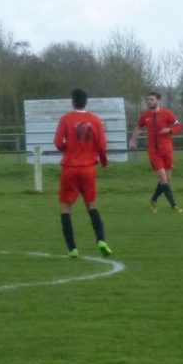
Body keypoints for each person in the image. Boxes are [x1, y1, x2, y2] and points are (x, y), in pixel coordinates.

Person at [53, 89, 113, 258]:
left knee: (65, 208)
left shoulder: (66, 119)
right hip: (88, 168)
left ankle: (72, 249)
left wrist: (68, 150)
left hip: (70, 168)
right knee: (92, 205)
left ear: (73, 102)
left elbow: (58, 143)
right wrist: (104, 161)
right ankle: (101, 240)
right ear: (86, 102)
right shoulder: (95, 120)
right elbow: (102, 146)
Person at [128, 92, 183, 212]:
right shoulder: (145, 115)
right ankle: (174, 205)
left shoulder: (167, 113)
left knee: (167, 180)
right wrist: (133, 140)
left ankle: (153, 199)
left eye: (151, 99)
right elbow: (138, 127)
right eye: (148, 100)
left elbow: (179, 126)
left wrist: (170, 130)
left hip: (167, 150)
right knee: (163, 179)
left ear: (158, 101)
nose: (149, 101)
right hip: (154, 152)